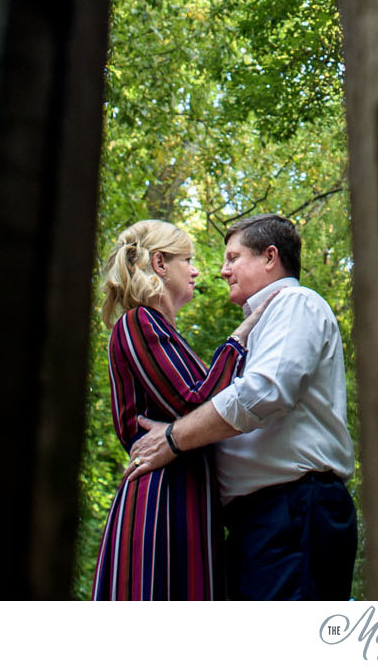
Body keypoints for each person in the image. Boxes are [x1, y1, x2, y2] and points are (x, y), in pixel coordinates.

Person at [124, 213, 356, 599]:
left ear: (269, 257)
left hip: (294, 510)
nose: (221, 270)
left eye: (233, 258)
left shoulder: (297, 303)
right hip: (259, 522)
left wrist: (173, 439)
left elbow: (265, 391)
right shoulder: (262, 326)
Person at [90, 218, 266, 600]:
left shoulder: (163, 331)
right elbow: (194, 402)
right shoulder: (137, 323)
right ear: (159, 264)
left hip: (188, 496)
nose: (197, 269)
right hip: (160, 501)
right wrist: (241, 336)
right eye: (187, 259)